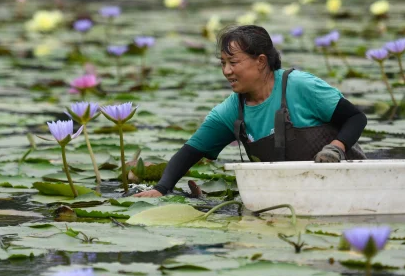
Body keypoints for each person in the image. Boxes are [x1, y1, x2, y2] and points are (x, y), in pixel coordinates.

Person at [133, 25, 367, 198]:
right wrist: (160, 189)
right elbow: (189, 152)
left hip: (349, 187)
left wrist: (336, 148)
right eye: (222, 63)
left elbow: (356, 118)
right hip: (290, 197)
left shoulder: (301, 86)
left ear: (261, 61)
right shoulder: (231, 110)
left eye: (233, 62)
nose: (226, 71)